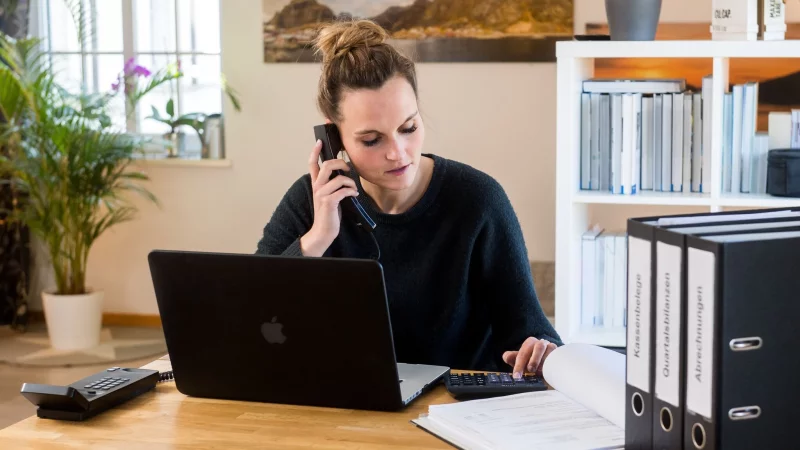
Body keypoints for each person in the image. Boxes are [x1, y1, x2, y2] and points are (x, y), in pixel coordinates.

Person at [256, 19, 562, 378]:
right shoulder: (311, 200)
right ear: (333, 138)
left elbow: (530, 330)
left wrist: (540, 351)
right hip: (347, 400)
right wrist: (317, 239)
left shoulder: (479, 200)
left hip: (456, 403)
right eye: (372, 140)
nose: (398, 153)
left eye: (409, 128)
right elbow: (253, 313)